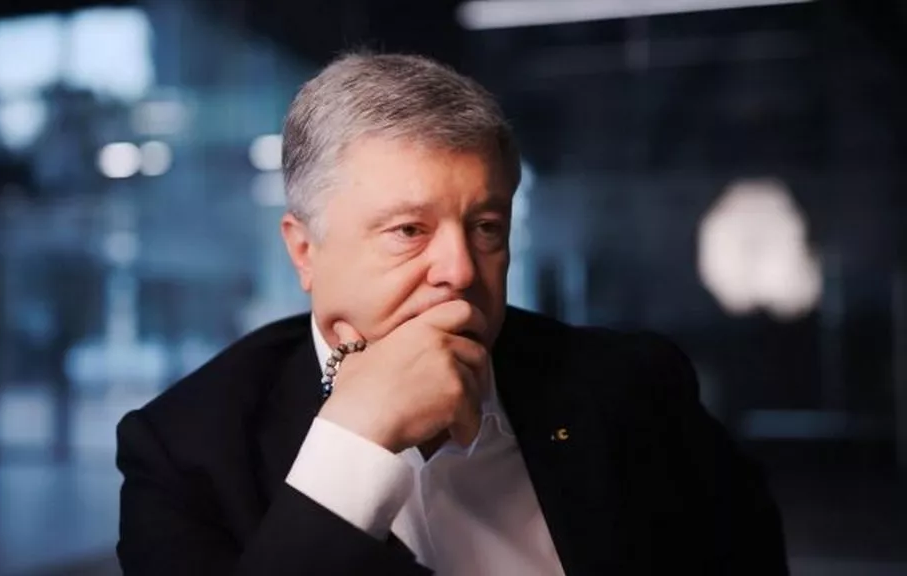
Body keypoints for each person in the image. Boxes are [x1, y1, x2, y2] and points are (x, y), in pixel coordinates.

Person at [116, 52, 789, 575]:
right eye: (409, 230)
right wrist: (354, 441)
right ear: (304, 251)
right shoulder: (184, 453)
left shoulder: (632, 388)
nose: (462, 270)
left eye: (486, 227)